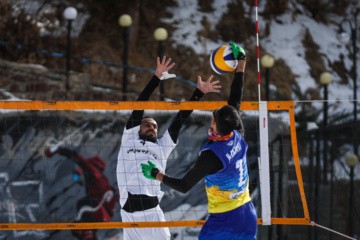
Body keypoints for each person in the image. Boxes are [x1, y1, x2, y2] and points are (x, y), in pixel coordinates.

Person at [140, 44, 258, 239]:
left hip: (224, 219)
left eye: (214, 115)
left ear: (215, 123)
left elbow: (184, 186)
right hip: (247, 213)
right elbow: (235, 99)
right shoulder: (236, 133)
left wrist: (156, 174)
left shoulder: (211, 156)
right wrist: (241, 63)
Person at [116, 56, 221, 240]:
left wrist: (198, 94)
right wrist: (156, 78)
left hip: (153, 215)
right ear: (138, 127)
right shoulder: (129, 138)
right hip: (129, 216)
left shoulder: (161, 147)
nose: (151, 127)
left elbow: (179, 121)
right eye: (147, 124)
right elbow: (140, 105)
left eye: (155, 126)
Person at [45, 147, 119, 240]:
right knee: (77, 228)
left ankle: (88, 234)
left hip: (98, 210)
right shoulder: (101, 178)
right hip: (103, 215)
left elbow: (79, 160)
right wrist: (77, 174)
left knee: (82, 206)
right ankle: (88, 234)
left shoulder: (93, 172)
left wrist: (57, 150)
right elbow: (84, 169)